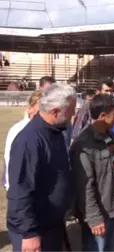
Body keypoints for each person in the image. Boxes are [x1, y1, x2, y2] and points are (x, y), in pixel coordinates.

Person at [7, 83, 77, 252]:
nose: (74, 114)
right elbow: (20, 191)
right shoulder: (29, 141)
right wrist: (29, 234)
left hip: (51, 223)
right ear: (55, 112)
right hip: (34, 228)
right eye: (71, 110)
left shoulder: (56, 132)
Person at [70, 94, 114, 252]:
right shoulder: (84, 145)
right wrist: (94, 219)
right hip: (99, 213)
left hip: (112, 207)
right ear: (102, 116)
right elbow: (84, 187)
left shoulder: (109, 135)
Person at [3, 90, 41, 191]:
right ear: (30, 109)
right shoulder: (19, 129)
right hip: (23, 190)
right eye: (40, 108)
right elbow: (11, 161)